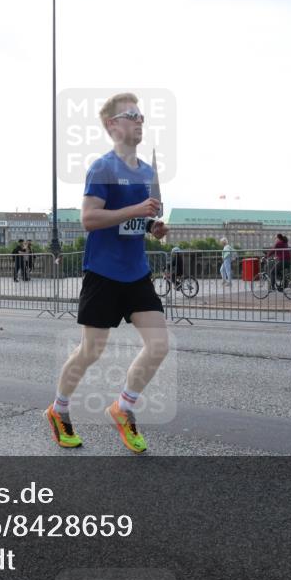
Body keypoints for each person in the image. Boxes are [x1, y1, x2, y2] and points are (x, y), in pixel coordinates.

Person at [47, 92, 169, 454]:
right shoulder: (102, 168)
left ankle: (124, 407)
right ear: (112, 125)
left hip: (136, 273)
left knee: (159, 345)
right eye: (131, 115)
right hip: (103, 273)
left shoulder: (147, 171)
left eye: (141, 115)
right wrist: (135, 209)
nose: (139, 120)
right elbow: (89, 219)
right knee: (91, 350)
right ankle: (59, 410)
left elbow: (138, 221)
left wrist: (153, 228)